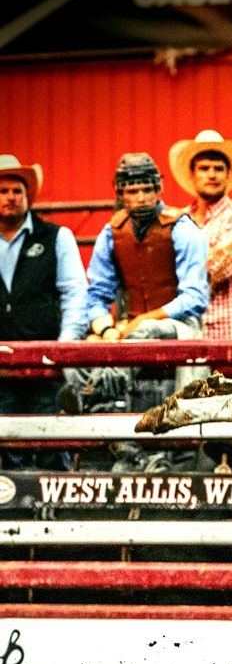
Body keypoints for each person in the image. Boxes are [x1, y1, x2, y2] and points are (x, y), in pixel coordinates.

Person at [0, 154, 88, 469]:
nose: (9, 197)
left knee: (52, 439)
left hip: (46, 361)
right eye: (2, 191)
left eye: (16, 191)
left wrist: (63, 347)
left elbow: (76, 291)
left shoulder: (55, 237)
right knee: (4, 447)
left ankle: (57, 516)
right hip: (1, 365)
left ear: (27, 196)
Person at [79, 152, 209, 342]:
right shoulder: (111, 233)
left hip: (180, 326)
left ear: (158, 190)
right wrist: (106, 329)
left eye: (147, 190)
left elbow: (194, 298)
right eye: (133, 191)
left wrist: (143, 320)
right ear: (121, 194)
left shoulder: (182, 228)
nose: (141, 198)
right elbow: (97, 294)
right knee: (80, 352)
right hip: (130, 327)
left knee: (146, 330)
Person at [169, 129, 232, 339]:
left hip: (228, 328)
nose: (212, 174)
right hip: (184, 329)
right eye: (204, 168)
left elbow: (221, 267)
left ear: (228, 175)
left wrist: (178, 269)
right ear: (193, 174)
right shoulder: (179, 218)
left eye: (219, 168)